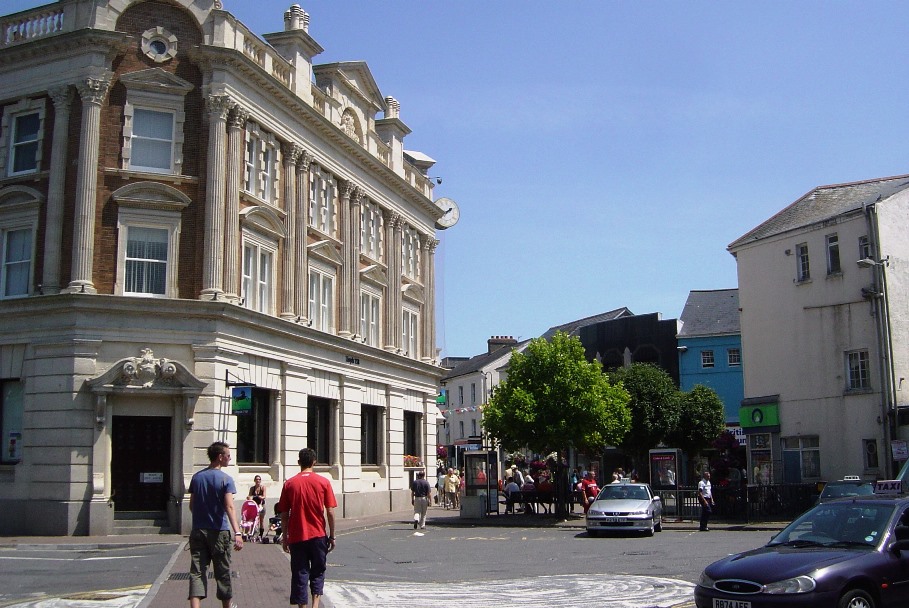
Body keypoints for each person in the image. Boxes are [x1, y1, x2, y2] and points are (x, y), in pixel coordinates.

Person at [277, 448, 338, 608]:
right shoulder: (323, 482)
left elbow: (284, 514)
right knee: (318, 571)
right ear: (314, 462)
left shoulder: (289, 484)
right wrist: (332, 535)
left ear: (299, 463)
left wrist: (285, 536)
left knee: (299, 573)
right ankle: (315, 605)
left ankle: (302, 606)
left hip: (297, 536)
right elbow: (330, 511)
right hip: (318, 535)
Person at [187, 441, 243, 608]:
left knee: (197, 572)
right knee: (222, 572)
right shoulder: (226, 479)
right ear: (220, 457)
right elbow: (229, 506)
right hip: (219, 531)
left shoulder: (197, 477)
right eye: (227, 455)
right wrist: (237, 532)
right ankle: (226, 606)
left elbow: (192, 505)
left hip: (198, 530)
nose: (229, 457)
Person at [248, 474, 267, 540]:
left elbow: (264, 496)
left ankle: (261, 534)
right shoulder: (252, 488)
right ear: (254, 480)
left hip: (261, 505)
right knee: (254, 519)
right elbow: (249, 496)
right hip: (254, 505)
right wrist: (251, 497)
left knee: (261, 520)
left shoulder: (263, 487)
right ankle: (254, 532)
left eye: (259, 479)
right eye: (256, 479)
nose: (258, 481)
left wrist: (260, 497)